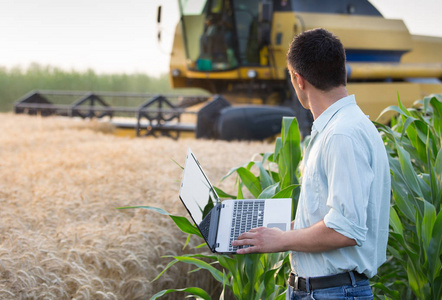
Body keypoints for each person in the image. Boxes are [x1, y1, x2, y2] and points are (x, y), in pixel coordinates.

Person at [231, 28, 391, 299]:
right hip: (326, 291)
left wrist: (280, 240)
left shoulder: (342, 134)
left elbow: (345, 229)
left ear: (298, 80)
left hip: (334, 292)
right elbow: (328, 219)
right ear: (342, 70)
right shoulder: (339, 127)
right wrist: (274, 231)